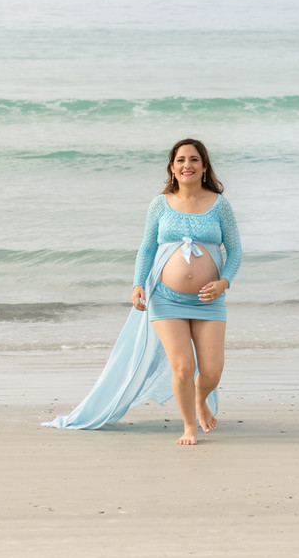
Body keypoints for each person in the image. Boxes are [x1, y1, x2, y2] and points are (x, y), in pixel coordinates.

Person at [43, 138, 242, 444]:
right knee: (183, 366)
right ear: (172, 168)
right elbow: (147, 247)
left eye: (194, 159)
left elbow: (236, 250)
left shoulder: (219, 205)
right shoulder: (160, 204)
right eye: (180, 160)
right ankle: (189, 427)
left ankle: (200, 399)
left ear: (204, 167)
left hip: (208, 299)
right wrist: (138, 283)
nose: (187, 165)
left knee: (212, 371)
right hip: (165, 297)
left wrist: (223, 282)